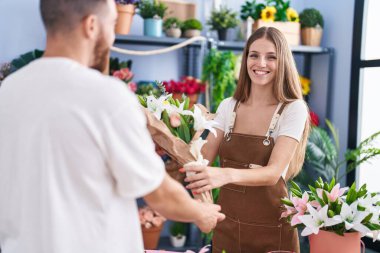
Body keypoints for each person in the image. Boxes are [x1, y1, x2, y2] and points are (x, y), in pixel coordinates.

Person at [0, 0, 225, 252]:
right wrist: (201, 213)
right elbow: (159, 193)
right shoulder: (106, 95)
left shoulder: (9, 90)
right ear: (92, 25)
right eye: (112, 25)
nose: (112, 35)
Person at [184, 27, 310, 253]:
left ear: (283, 62)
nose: (261, 63)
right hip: (227, 228)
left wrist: (224, 174)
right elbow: (201, 160)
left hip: (273, 232)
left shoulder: (293, 109)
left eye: (271, 57)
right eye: (254, 55)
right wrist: (191, 129)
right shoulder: (228, 106)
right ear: (245, 59)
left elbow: (273, 173)